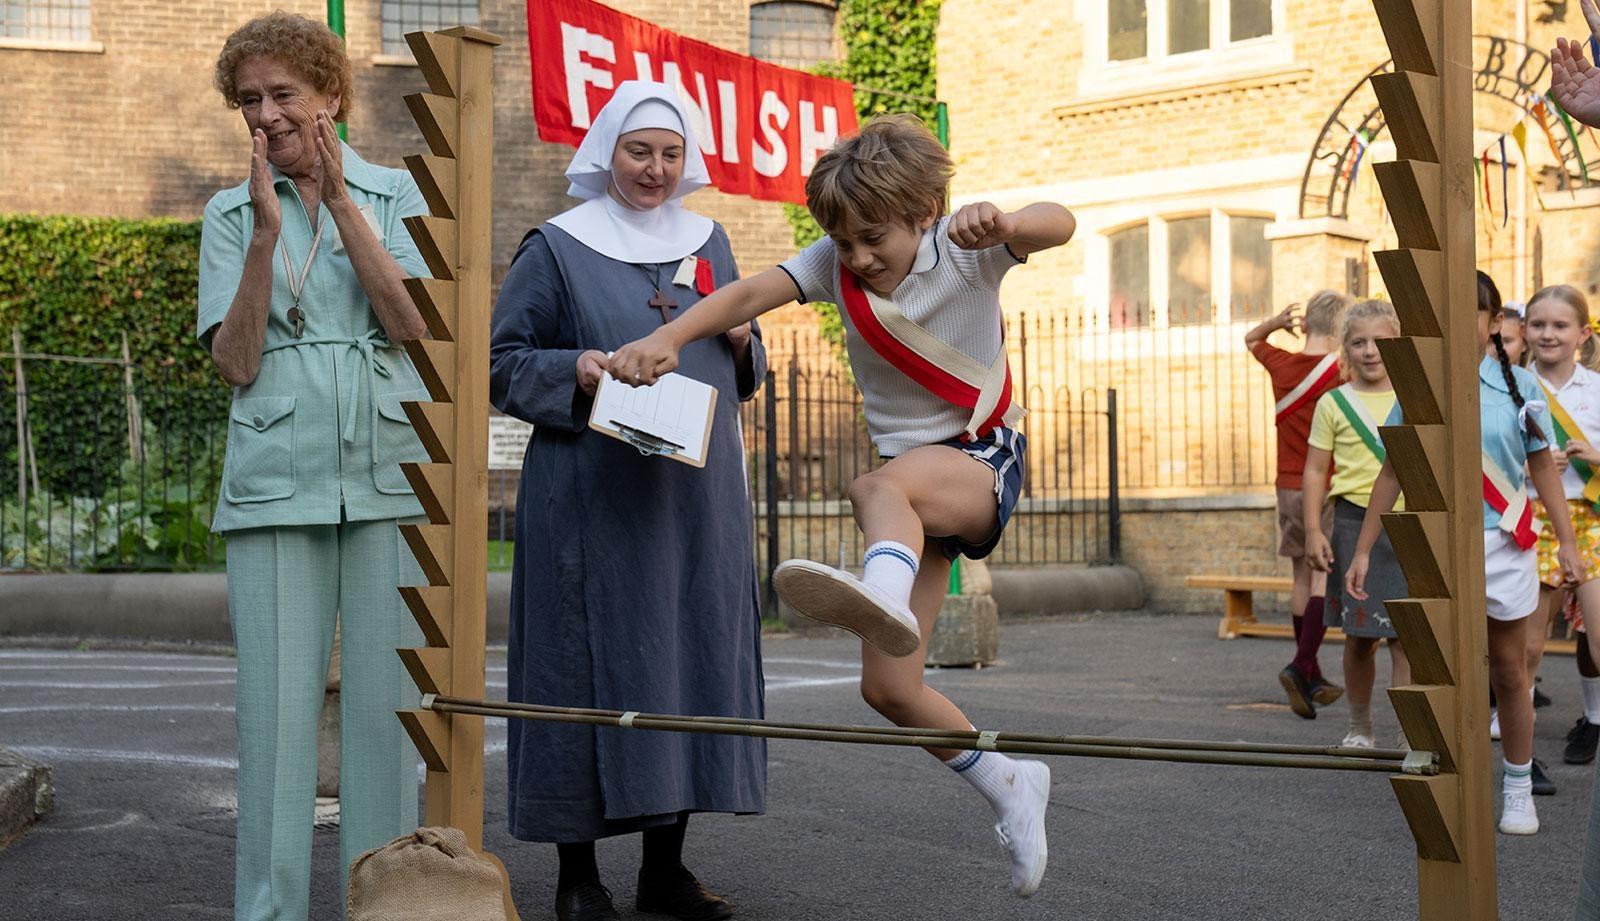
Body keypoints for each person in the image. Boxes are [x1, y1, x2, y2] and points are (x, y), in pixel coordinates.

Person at [610, 114, 1076, 898]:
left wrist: (1009, 221)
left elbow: (1060, 224)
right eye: (845, 243)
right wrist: (673, 339)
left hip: (981, 460)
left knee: (873, 487)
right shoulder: (838, 262)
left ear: (924, 210)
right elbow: (753, 291)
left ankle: (880, 591)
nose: (859, 258)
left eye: (873, 239)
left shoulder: (966, 249)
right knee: (889, 688)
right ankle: (1008, 780)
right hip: (916, 491)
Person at [488, 82, 766, 921]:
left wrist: (750, 341)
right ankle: (579, 876)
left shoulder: (710, 240)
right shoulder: (557, 246)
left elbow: (739, 368)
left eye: (670, 154)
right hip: (589, 498)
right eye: (640, 151)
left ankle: (664, 867)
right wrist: (573, 369)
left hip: (692, 497)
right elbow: (503, 363)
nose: (654, 169)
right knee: (580, 664)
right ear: (609, 151)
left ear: (689, 162)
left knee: (683, 659)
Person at [199, 12, 433, 919]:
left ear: (332, 96)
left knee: (385, 719)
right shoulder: (227, 213)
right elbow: (236, 362)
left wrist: (338, 201)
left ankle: (383, 903)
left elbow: (413, 325)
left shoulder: (394, 196)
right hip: (271, 482)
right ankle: (270, 910)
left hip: (385, 471)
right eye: (248, 100)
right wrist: (264, 233)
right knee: (276, 723)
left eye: (283, 94)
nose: (265, 115)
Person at [1347, 271, 1582, 836]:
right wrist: (1362, 550)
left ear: (1495, 323)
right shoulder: (1421, 387)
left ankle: (1519, 784)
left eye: (1474, 314)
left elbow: (1541, 469)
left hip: (1505, 544)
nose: (1461, 326)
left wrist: (1568, 541)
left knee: (1508, 669)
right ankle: (1446, 779)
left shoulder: (1524, 388)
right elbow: (1393, 469)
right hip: (1440, 549)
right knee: (1442, 670)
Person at [1304, 299, 1410, 748]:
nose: (1370, 351)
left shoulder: (1414, 398)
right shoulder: (1332, 402)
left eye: (1380, 341)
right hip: (1351, 521)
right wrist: (1312, 529)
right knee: (1360, 636)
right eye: (1358, 342)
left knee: (1408, 638)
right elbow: (1314, 470)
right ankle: (1361, 726)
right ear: (1345, 349)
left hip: (1408, 524)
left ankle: (1412, 733)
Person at [1245, 292, 1350, 717]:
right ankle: (1301, 665)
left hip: (1285, 484)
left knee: (1299, 577)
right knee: (1323, 577)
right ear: (1343, 331)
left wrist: (1273, 322)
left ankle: (1310, 671)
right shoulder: (1341, 370)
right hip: (1324, 483)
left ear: (1304, 325)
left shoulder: (1282, 364)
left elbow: (1252, 340)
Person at [1522, 286, 1600, 791]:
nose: (1548, 334)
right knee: (1527, 643)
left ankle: (1594, 720)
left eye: (1560, 326)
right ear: (1525, 329)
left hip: (1591, 517)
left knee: (1597, 634)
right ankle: (1521, 751)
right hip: (1530, 518)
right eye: (1538, 324)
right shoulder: (1509, 387)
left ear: (1583, 334)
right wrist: (1531, 467)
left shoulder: (1596, 388)